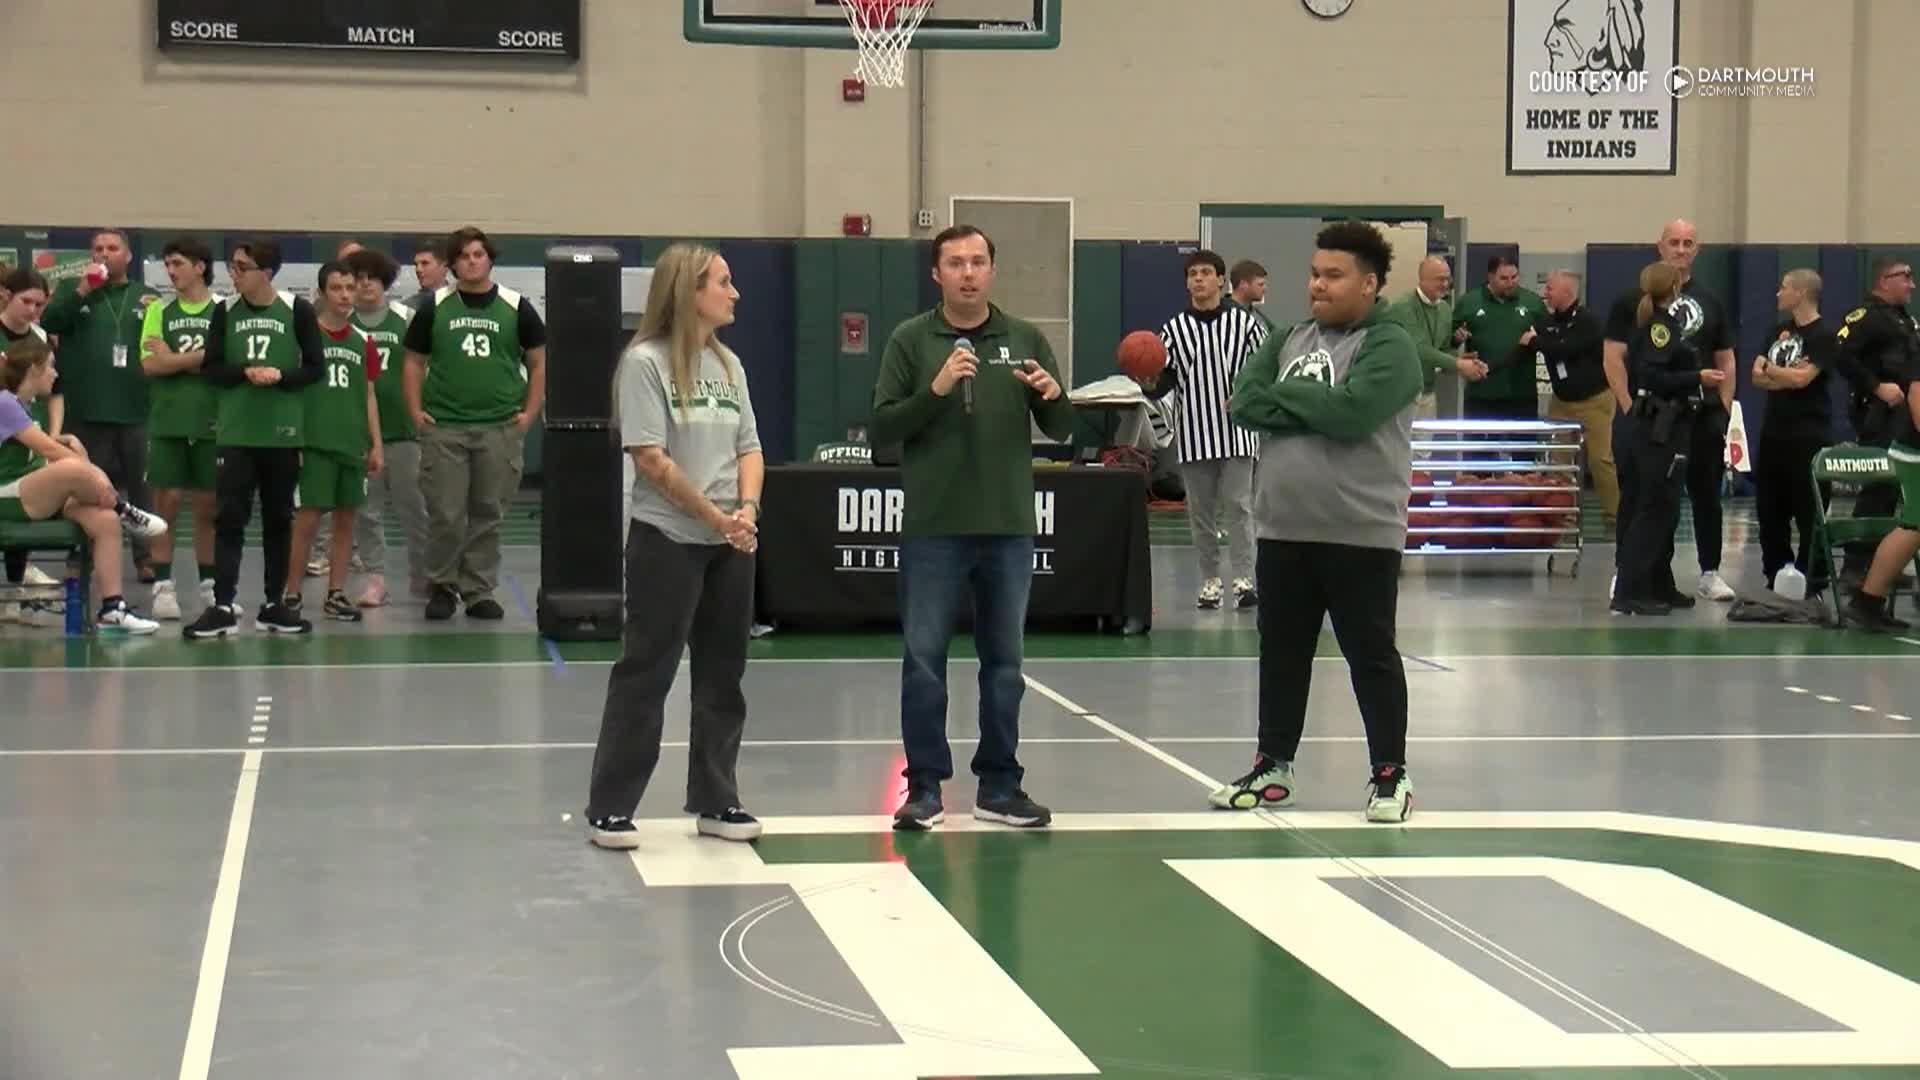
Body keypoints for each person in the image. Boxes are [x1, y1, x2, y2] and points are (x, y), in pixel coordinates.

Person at [870, 224, 1075, 831]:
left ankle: (1000, 786)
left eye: (978, 261)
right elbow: (883, 429)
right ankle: (925, 788)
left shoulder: (1024, 337)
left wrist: (1053, 394)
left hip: (1008, 527)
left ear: (991, 270)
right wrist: (933, 392)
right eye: (954, 262)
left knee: (1005, 663)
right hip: (934, 528)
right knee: (925, 660)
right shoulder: (912, 339)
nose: (967, 272)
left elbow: (1063, 427)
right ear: (936, 274)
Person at [1216, 220, 1422, 823]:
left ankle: (1390, 775)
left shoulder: (1391, 345)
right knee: (1281, 653)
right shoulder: (1288, 336)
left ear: (1370, 283)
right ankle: (1273, 767)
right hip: (1282, 529)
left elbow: (1354, 413)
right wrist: (1315, 409)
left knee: (1370, 655)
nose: (1318, 285)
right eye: (1314, 273)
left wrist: (1293, 405)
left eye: (1333, 276)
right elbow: (1244, 401)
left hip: (1360, 530)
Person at [583, 243, 763, 850]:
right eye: (723, 282)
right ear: (690, 292)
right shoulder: (645, 363)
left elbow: (750, 448)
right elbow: (652, 461)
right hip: (669, 538)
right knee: (646, 671)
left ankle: (717, 798)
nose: (734, 293)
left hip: (730, 541)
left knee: (723, 673)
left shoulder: (729, 364)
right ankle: (611, 805)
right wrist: (715, 516)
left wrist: (747, 511)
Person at [402, 226, 548, 622]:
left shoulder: (516, 306)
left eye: (478, 254)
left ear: (490, 259)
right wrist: (416, 411)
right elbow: (413, 362)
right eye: (464, 255)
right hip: (445, 426)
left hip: (499, 427)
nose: (471, 261)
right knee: (446, 513)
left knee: (488, 513)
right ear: (452, 263)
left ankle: (479, 589)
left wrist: (529, 413)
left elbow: (538, 362)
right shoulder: (435, 306)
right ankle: (442, 585)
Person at [181, 239, 325, 640]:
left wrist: (280, 376)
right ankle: (223, 605)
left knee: (279, 520)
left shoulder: (297, 311)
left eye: (243, 267)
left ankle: (274, 605)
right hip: (236, 432)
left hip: (281, 433)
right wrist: (244, 371)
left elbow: (316, 369)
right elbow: (210, 369)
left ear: (267, 271)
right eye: (233, 266)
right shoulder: (224, 311)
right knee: (229, 518)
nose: (235, 274)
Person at [1603, 219, 1738, 602]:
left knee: (1704, 495)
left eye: (1688, 243)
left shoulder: (1710, 302)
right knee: (1644, 497)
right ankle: (1629, 575)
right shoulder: (1634, 301)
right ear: (1660, 246)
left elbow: (1726, 359)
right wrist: (1630, 408)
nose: (1681, 249)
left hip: (1701, 416)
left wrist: (1724, 407)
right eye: (1674, 242)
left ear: (1697, 250)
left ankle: (1709, 571)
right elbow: (1614, 358)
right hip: (1654, 418)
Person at [0, 338, 164, 633]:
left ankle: (112, 609)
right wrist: (81, 462)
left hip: (31, 493)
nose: (56, 374)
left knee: (104, 519)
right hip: (6, 495)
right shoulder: (5, 402)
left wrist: (72, 444)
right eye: (51, 367)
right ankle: (126, 509)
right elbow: (50, 453)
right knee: (71, 467)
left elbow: (52, 452)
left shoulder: (27, 406)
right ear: (34, 369)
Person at [257, 262, 384, 633]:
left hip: (351, 444)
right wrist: (292, 437)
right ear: (322, 293)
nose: (346, 295)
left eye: (350, 288)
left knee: (347, 521)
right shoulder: (303, 338)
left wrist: (376, 443)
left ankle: (335, 594)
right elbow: (291, 391)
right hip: (313, 442)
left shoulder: (362, 341)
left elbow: (370, 395)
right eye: (337, 288)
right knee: (307, 521)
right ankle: (292, 593)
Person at [39, 228, 160, 581]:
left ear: (128, 255)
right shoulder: (70, 292)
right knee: (85, 487)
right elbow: (50, 322)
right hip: (88, 409)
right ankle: (81, 555)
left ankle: (145, 557)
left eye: (112, 247)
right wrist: (82, 290)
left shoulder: (147, 297)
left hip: (136, 408)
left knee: (141, 488)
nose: (104, 254)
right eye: (98, 249)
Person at [1158, 249, 1266, 609]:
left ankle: (1245, 579)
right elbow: (1162, 383)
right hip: (1193, 433)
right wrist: (1145, 380)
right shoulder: (1173, 329)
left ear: (1221, 280)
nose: (1199, 279)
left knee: (1239, 507)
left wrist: (1246, 395)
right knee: (1200, 512)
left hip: (1238, 432)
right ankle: (1209, 580)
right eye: (1192, 274)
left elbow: (1263, 370)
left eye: (1206, 272)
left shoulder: (1247, 325)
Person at [139, 238, 222, 621]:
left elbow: (224, 365)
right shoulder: (159, 309)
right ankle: (163, 586)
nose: (170, 271)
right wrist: (199, 359)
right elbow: (150, 366)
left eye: (177, 263)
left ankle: (209, 587)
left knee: (208, 508)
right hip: (169, 419)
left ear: (200, 266)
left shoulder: (223, 310)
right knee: (165, 506)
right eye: (167, 264)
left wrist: (173, 358)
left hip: (212, 421)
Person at [345, 248, 428, 605]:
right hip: (359, 435)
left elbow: (426, 365)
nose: (364, 285)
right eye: (357, 278)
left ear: (384, 283)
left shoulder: (406, 318)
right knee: (367, 511)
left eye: (371, 278)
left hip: (406, 431)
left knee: (415, 509)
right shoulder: (342, 323)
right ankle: (375, 578)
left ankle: (425, 576)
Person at [1831, 256, 1918, 589]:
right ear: (1884, 280)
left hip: (1905, 416)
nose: (1911, 284)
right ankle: (1855, 565)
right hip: (1879, 415)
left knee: (1898, 490)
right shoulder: (1865, 316)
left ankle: (1884, 563)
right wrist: (1875, 386)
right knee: (1878, 486)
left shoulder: (1903, 320)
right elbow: (1839, 352)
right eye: (1904, 277)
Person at [1750, 269, 1834, 593]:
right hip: (1774, 433)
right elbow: (1756, 377)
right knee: (1770, 511)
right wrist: (1783, 374)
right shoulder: (1778, 329)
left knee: (1808, 511)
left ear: (1800, 293)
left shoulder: (1824, 336)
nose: (1778, 294)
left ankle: (1811, 576)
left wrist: (1773, 370)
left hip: (1808, 435)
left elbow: (1803, 380)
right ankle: (1776, 574)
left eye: (1783, 288)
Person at [1521, 270, 1617, 529]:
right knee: (1561, 462)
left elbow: (1567, 348)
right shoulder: (1546, 322)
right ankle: (1565, 515)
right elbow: (1537, 339)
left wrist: (1535, 342)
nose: (1545, 293)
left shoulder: (1590, 322)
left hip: (1595, 400)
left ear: (1567, 292)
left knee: (1600, 460)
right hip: (1562, 402)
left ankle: (1614, 516)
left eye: (1550, 288)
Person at [1845, 338, 1920, 632]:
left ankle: (1868, 601)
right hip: (1914, 453)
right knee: (1913, 527)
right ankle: (1866, 602)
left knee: (1913, 528)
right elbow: (1917, 399)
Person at [0, 270, 63, 601]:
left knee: (25, 490)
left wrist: (52, 437)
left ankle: (17, 580)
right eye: (26, 301)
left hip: (28, 431)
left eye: (40, 304)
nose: (33, 310)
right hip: (5, 425)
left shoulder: (40, 338)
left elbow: (56, 394)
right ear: (7, 295)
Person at [1386, 255, 1484, 419]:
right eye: (1440, 279)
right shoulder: (1403, 307)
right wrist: (1459, 364)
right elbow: (1419, 350)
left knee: (1426, 445)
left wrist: (1464, 359)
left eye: (1447, 279)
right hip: (1399, 396)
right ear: (1423, 279)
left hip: (1428, 394)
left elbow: (1442, 352)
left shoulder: (1445, 309)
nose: (1445, 284)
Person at [1452, 255, 1544, 419]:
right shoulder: (1468, 302)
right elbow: (1446, 343)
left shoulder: (1533, 302)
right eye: (1504, 278)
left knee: (1523, 445)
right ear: (1490, 276)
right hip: (1482, 395)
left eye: (1514, 277)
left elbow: (1549, 340)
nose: (1510, 282)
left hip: (1522, 396)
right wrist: (1456, 340)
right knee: (1481, 445)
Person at [1228, 259, 1274, 332]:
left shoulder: (1257, 315)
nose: (1265, 289)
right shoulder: (1225, 316)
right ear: (1243, 285)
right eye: (1260, 284)